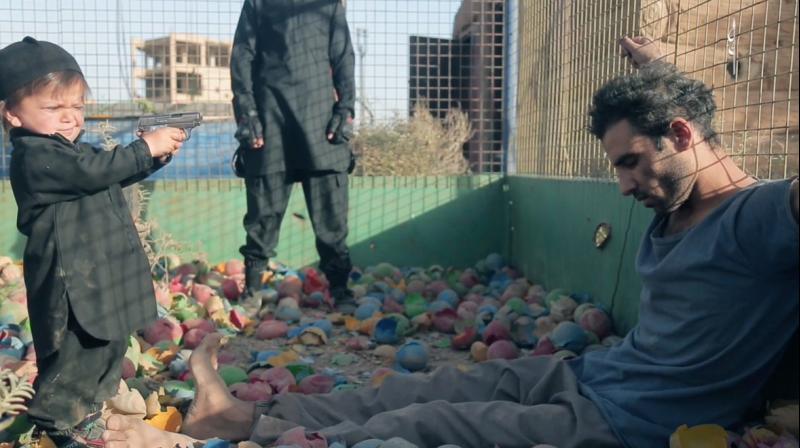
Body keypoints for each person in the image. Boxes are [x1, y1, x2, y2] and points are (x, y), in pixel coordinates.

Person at [101, 37, 799, 448]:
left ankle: (247, 421)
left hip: (622, 421)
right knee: (427, 380)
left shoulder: (759, 218)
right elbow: (699, 152)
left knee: (431, 420)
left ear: (679, 136)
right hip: (592, 373)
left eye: (629, 162)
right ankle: (237, 413)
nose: (622, 184)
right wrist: (666, 79)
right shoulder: (677, 191)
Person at [0, 36, 185, 447]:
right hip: (69, 281)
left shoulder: (69, 151)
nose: (69, 118)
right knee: (76, 353)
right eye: (52, 108)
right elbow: (90, 173)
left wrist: (153, 155)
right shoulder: (35, 155)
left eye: (77, 107)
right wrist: (143, 150)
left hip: (99, 273)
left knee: (109, 343)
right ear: (11, 114)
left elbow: (102, 173)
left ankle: (87, 414)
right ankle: (56, 421)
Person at [230, 0, 357, 312]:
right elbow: (241, 56)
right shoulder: (258, 3)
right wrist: (247, 113)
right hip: (270, 119)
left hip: (320, 120)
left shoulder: (327, 4)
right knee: (262, 215)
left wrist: (345, 108)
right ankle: (253, 291)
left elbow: (344, 57)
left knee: (332, 217)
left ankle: (340, 289)